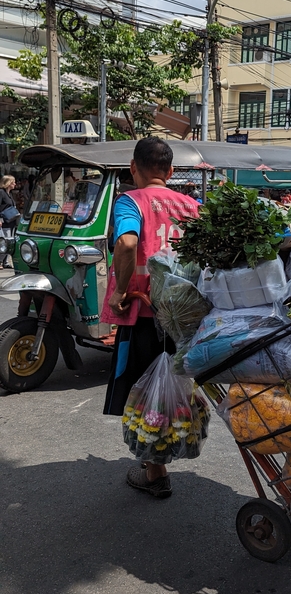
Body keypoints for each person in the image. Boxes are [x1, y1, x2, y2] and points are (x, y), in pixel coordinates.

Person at [102, 137, 199, 497]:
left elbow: (127, 243)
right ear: (171, 172)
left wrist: (118, 290)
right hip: (184, 317)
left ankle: (156, 473)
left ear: (133, 167)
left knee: (143, 394)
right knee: (172, 386)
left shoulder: (130, 201)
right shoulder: (192, 206)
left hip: (143, 312)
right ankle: (162, 458)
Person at [0, 175, 19, 269]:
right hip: (4, 221)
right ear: (8, 183)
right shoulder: (1, 193)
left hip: (11, 221)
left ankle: (5, 261)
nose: (15, 184)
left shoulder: (9, 194)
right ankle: (0, 261)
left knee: (10, 240)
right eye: (13, 182)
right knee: (5, 240)